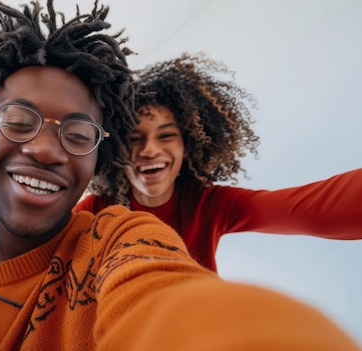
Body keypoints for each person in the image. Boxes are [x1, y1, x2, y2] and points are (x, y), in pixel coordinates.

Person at [0, 1, 359, 350]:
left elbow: (162, 298)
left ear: (96, 155)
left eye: (78, 132)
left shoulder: (114, 233)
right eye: (20, 121)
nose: (46, 148)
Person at [73, 52, 362, 271]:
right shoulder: (94, 212)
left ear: (187, 145)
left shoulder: (207, 204)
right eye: (135, 138)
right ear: (115, 150)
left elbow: (306, 209)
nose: (150, 149)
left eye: (166, 135)